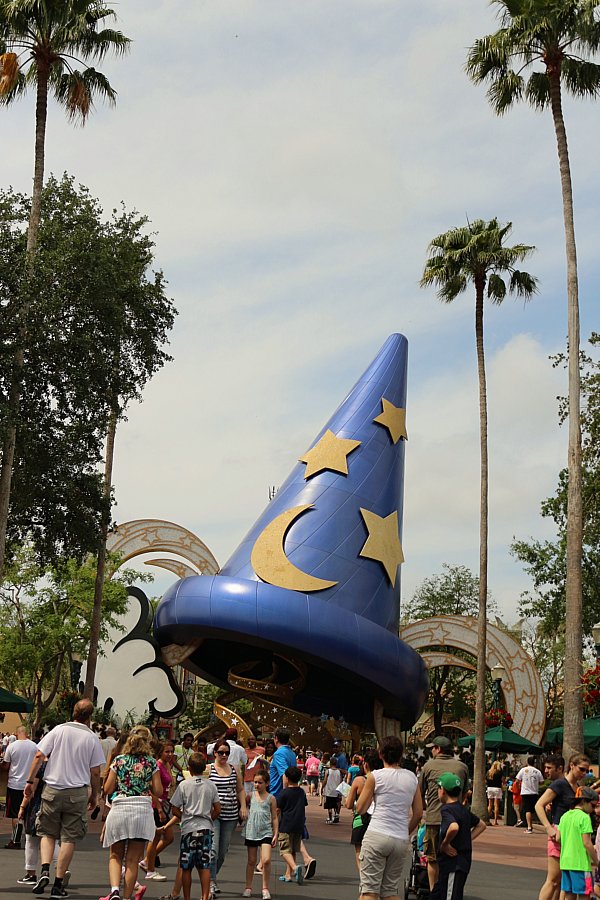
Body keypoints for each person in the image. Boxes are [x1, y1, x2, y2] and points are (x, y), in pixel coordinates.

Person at [25, 698, 105, 898]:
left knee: (47, 833)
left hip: (52, 788)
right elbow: (95, 771)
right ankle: (58, 883)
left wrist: (29, 781)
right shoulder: (91, 738)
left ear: (73, 712)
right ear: (90, 717)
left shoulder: (59, 730)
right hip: (76, 791)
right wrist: (94, 795)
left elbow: (38, 755)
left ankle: (44, 870)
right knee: (69, 838)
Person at [355, 735, 423, 900]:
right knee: (390, 891)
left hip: (377, 833)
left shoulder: (375, 776)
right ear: (400, 755)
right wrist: (405, 831)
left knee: (369, 891)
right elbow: (419, 813)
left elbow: (361, 808)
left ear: (381, 754)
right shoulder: (412, 778)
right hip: (399, 838)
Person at [101, 724, 164, 900]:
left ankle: (115, 890)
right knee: (132, 859)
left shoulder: (119, 761)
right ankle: (128, 896)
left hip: (120, 809)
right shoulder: (151, 763)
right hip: (142, 812)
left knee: (115, 855)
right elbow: (158, 791)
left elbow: (108, 789)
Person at [160, 752, 220, 900]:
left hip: (189, 829)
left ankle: (187, 897)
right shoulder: (211, 785)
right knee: (204, 865)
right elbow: (218, 809)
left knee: (186, 866)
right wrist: (208, 819)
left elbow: (174, 808)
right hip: (205, 827)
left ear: (190, 769)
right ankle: (204, 896)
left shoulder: (184, 785)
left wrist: (184, 818)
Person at [536, 753, 590, 900]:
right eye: (581, 769)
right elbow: (539, 805)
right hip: (558, 833)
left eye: (587, 770)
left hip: (571, 836)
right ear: (571, 766)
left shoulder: (577, 787)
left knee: (562, 883)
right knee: (553, 880)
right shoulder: (560, 784)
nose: (584, 773)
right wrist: (549, 828)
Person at [419, 735, 469, 890]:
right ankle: (449, 890)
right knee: (452, 857)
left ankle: (434, 891)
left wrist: (425, 810)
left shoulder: (428, 766)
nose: (431, 751)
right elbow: (466, 793)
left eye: (432, 748)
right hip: (456, 820)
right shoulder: (462, 767)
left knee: (432, 858)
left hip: (434, 820)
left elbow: (420, 793)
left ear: (438, 749)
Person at [268, 728, 316, 879]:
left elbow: (284, 774)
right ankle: (289, 873)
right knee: (292, 834)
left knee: (282, 834)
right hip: (290, 795)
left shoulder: (279, 754)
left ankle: (304, 860)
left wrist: (285, 795)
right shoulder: (291, 753)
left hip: (279, 796)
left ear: (276, 738)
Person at [430, 772, 486, 900]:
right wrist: (467, 837)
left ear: (442, 791)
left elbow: (453, 827)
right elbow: (481, 825)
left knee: (451, 895)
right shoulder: (463, 809)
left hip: (453, 864)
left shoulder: (447, 809)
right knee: (436, 895)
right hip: (459, 863)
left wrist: (445, 844)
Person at [208, 738, 247, 897]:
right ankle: (210, 881)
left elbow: (240, 789)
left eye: (226, 753)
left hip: (230, 814)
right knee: (214, 849)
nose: (224, 755)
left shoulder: (234, 768)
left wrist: (243, 806)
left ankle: (213, 877)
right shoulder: (208, 769)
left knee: (223, 851)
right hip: (214, 814)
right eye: (221, 752)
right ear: (214, 753)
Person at [141, 741, 176, 882]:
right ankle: (150, 869)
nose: (170, 754)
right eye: (167, 751)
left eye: (171, 751)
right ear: (160, 752)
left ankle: (146, 861)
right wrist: (159, 808)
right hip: (156, 806)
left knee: (169, 837)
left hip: (165, 804)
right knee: (155, 837)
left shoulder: (168, 765)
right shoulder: (157, 765)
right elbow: (151, 788)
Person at [345, 748, 383, 872]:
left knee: (359, 852)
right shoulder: (383, 780)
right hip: (378, 822)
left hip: (360, 821)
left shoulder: (359, 780)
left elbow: (349, 804)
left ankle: (364, 880)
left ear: (365, 764)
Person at [557, 786, 599, 900]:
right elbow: (587, 843)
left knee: (569, 894)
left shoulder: (565, 816)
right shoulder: (584, 817)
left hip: (565, 862)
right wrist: (596, 861)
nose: (594, 810)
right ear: (584, 801)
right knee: (584, 894)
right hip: (580, 864)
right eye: (593, 805)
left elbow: (558, 838)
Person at [242, 768, 278, 900]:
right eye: (255, 782)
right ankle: (248, 886)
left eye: (260, 782)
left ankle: (265, 888)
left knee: (266, 859)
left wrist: (276, 833)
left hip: (266, 832)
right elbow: (243, 805)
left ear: (267, 783)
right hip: (252, 831)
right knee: (251, 861)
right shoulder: (250, 796)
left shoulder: (271, 798)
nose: (257, 785)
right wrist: (244, 811)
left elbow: (274, 817)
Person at [2, 724, 38, 848]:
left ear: (16, 734)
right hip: (29, 784)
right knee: (27, 813)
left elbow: (6, 766)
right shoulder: (35, 746)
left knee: (14, 813)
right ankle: (27, 838)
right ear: (27, 734)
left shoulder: (11, 746)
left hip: (14, 784)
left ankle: (15, 839)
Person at [276, 765, 307, 885]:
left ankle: (294, 868)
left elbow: (278, 810)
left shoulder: (284, 793)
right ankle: (288, 874)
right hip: (299, 825)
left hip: (286, 825)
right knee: (293, 850)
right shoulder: (301, 792)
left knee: (284, 850)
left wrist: (273, 822)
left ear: (287, 778)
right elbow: (303, 805)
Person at [516, 756, 544, 833]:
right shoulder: (537, 771)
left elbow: (517, 780)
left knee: (527, 810)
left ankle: (529, 827)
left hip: (525, 792)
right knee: (534, 809)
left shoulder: (523, 770)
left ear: (527, 762)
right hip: (534, 792)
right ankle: (535, 823)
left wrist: (520, 785)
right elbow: (542, 782)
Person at [323, 755, 343, 823]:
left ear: (330, 763)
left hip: (329, 791)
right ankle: (336, 815)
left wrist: (322, 787)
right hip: (336, 791)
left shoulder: (328, 771)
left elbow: (325, 780)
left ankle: (330, 818)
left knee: (329, 806)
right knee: (335, 804)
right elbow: (340, 781)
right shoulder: (339, 772)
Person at [486, 760, 504, 826]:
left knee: (490, 805)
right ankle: (495, 821)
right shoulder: (499, 772)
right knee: (496, 805)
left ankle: (487, 819)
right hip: (497, 788)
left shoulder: (489, 772)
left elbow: (486, 780)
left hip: (490, 788)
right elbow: (502, 781)